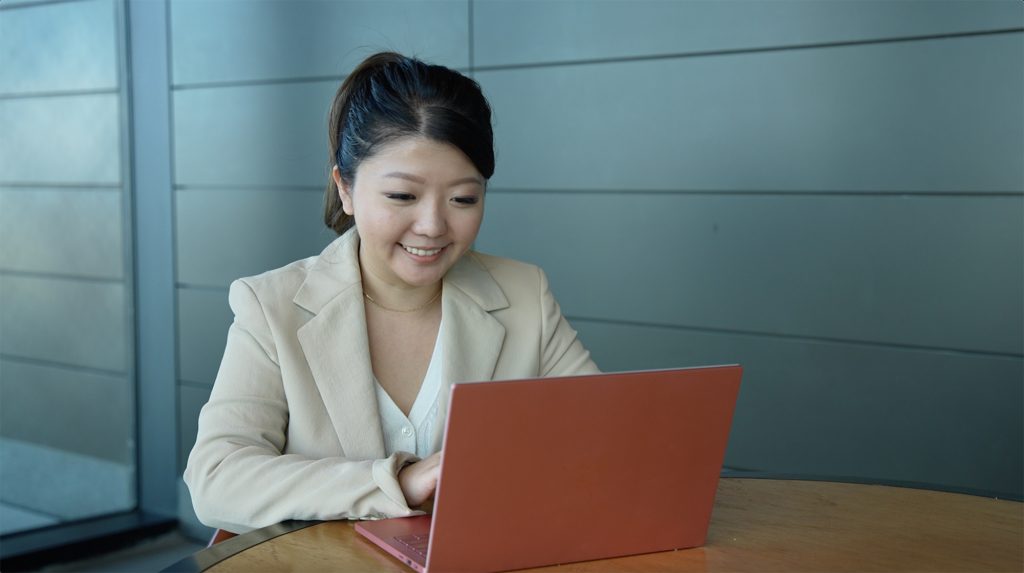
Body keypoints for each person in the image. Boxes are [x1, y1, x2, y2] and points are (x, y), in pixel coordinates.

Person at [184, 52, 599, 533]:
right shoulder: (272, 307)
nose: (432, 226)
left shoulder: (525, 294)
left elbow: (600, 436)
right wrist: (394, 484)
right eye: (402, 196)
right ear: (345, 188)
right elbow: (216, 479)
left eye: (463, 198)